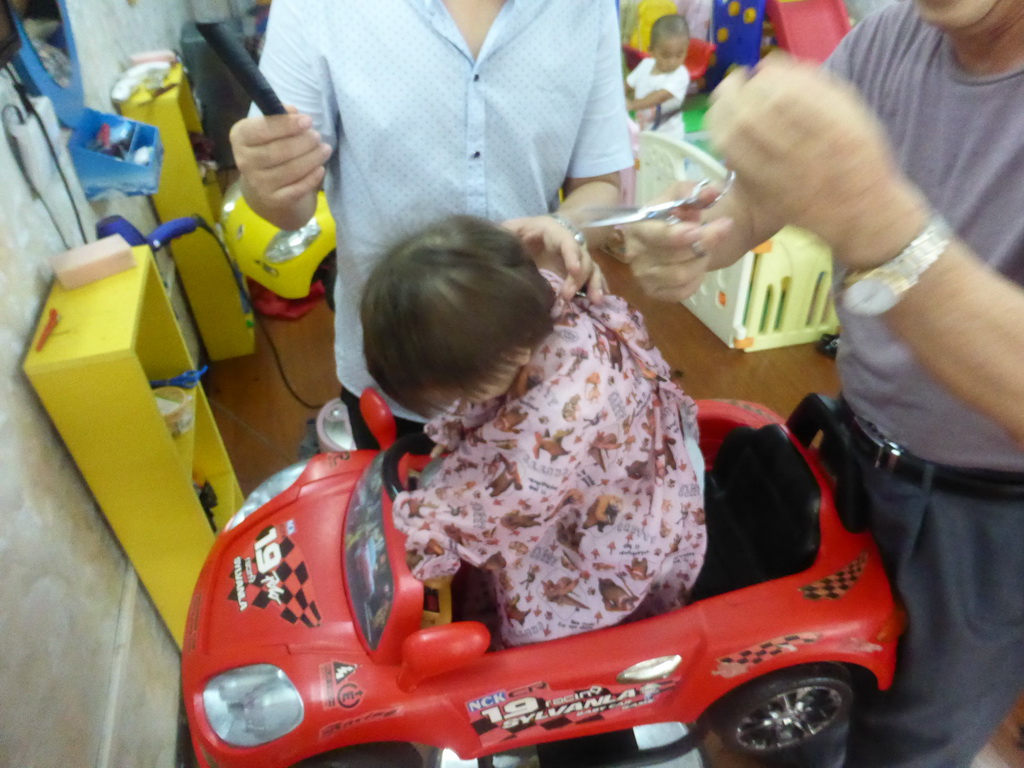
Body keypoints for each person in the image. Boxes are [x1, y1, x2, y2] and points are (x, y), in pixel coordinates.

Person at [623, 2, 1024, 766]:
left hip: (989, 522)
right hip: (850, 450)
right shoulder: (889, 39)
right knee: (793, 704)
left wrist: (879, 222)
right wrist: (705, 236)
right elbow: (760, 197)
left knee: (911, 740)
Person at [229, 0, 633, 448]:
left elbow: (600, 184)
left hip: (533, 370)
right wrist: (268, 181)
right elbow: (291, 206)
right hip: (401, 375)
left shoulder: (586, 9)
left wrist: (568, 230)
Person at [361, 214, 707, 648]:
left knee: (545, 626)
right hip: (617, 464)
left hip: (620, 523)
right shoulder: (526, 302)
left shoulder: (563, 409)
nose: (459, 402)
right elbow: (492, 412)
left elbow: (512, 502)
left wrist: (435, 536)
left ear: (511, 354)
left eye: (461, 390)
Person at [625, 14, 692, 142]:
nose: (672, 61)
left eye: (679, 55)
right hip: (643, 134)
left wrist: (633, 105)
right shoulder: (645, 65)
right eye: (666, 55)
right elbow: (627, 85)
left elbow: (660, 96)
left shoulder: (681, 74)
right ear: (651, 50)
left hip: (670, 139)